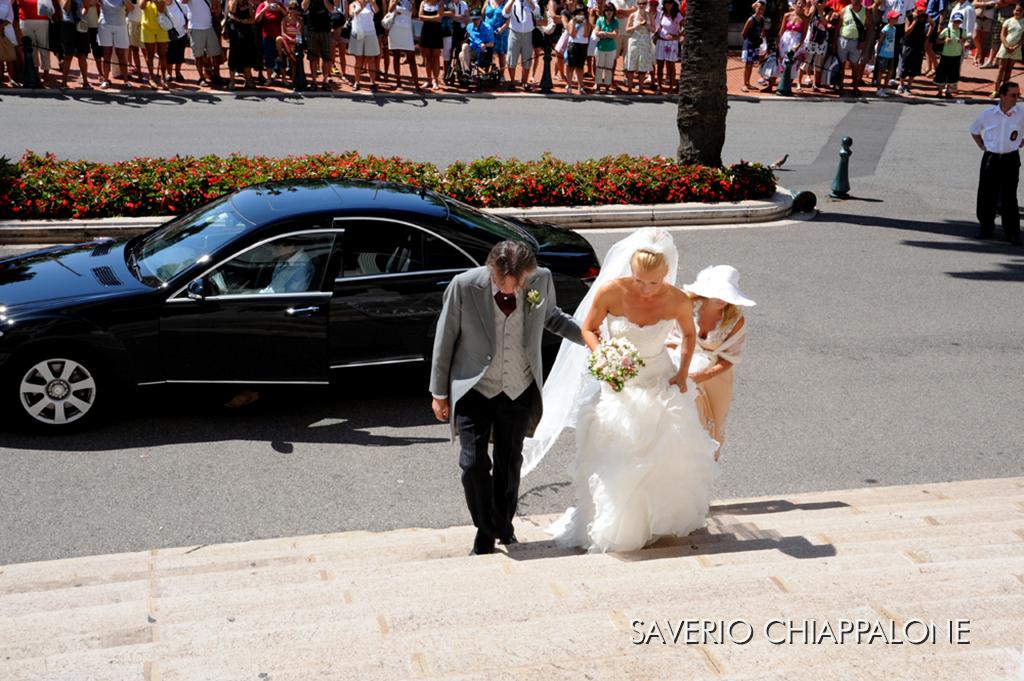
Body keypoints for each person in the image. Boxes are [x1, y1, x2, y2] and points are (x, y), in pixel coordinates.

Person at [521, 229, 719, 553]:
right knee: (618, 456)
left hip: (658, 380)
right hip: (618, 383)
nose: (645, 288)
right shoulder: (611, 291)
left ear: (666, 273)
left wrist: (683, 373)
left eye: (653, 282)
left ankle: (659, 521)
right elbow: (588, 328)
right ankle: (618, 524)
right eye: (639, 280)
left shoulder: (677, 300)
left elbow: (688, 335)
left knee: (664, 455)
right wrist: (603, 354)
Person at [429, 240, 583, 556]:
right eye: (503, 283)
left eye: (518, 284)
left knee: (509, 464)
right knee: (472, 465)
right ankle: (484, 531)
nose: (510, 291)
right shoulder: (464, 285)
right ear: (491, 270)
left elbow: (553, 317)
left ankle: (503, 526)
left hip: (519, 386)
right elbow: (445, 338)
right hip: (474, 387)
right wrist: (439, 393)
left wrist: (591, 338)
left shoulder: (542, 278)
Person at [667, 265, 755, 462]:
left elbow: (730, 359)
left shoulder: (735, 320)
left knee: (711, 425)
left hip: (716, 378)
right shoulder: (689, 307)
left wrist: (703, 376)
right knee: (682, 420)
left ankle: (702, 468)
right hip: (682, 367)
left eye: (727, 294)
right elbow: (671, 340)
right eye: (718, 292)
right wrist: (681, 368)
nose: (722, 299)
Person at [969, 80, 1024, 246]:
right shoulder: (988, 114)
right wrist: (982, 146)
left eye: (1018, 95)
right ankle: (986, 227)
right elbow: (974, 130)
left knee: (1009, 196)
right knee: (986, 194)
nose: (1016, 98)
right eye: (1013, 95)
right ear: (1002, 96)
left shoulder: (1021, 114)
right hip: (991, 158)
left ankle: (1012, 232)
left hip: (1010, 158)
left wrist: (1021, 142)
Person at [182, 0, 222, 85]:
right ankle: (201, 78)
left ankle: (217, 75)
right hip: (196, 28)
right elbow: (183, 1)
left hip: (209, 27)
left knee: (215, 53)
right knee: (198, 55)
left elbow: (215, 4)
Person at [97, 0, 134, 87]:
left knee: (121, 54)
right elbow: (92, 3)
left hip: (120, 26)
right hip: (105, 25)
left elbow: (131, 8)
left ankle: (126, 81)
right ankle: (105, 80)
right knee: (106, 53)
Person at [897, 0, 929, 93]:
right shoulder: (909, 16)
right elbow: (907, 32)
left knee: (915, 67)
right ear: (915, 8)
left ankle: (908, 86)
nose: (921, 12)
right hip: (908, 44)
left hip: (919, 45)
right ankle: (901, 85)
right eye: (919, 10)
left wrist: (927, 36)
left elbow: (932, 24)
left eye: (922, 10)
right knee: (905, 64)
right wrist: (914, 22)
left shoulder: (925, 16)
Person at [834, 0, 866, 94]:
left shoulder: (865, 12)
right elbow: (838, 27)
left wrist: (864, 41)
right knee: (841, 65)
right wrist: (834, 42)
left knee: (855, 66)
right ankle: (840, 86)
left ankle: (855, 87)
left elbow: (869, 27)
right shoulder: (844, 10)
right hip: (843, 40)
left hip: (856, 42)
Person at [502, 0, 535, 88]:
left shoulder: (531, 1)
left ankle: (524, 81)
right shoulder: (512, 2)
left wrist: (529, 1)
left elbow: (536, 11)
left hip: (528, 33)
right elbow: (505, 13)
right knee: (512, 58)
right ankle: (512, 82)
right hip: (514, 33)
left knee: (527, 58)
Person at [386, 0, 418, 89]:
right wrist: (395, 2)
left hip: (407, 31)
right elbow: (390, 10)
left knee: (411, 58)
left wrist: (413, 3)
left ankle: (416, 85)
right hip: (395, 29)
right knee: (396, 57)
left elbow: (414, 13)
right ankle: (398, 83)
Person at [623, 0, 654, 92]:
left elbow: (654, 29)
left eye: (643, 3)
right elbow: (627, 29)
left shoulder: (649, 15)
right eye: (639, 3)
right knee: (631, 67)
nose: (641, 5)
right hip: (634, 43)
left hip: (645, 43)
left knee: (642, 67)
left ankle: (641, 89)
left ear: (646, 4)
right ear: (637, 4)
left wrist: (647, 25)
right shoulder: (633, 15)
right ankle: (629, 89)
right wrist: (635, 26)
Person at [993, 1, 1021, 96]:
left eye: (1020, 10)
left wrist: (1016, 46)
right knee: (1001, 69)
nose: (1018, 12)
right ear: (1013, 10)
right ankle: (996, 90)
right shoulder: (1008, 21)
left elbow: (1022, 38)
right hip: (1005, 47)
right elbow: (1002, 35)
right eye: (1016, 10)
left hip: (1016, 49)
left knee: (1009, 70)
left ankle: (1005, 90)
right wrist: (1007, 45)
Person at [226, 0, 257, 87]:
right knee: (233, 57)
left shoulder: (249, 4)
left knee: (247, 57)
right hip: (235, 34)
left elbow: (253, 20)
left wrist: (241, 21)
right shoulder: (232, 2)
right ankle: (232, 82)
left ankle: (248, 80)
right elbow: (232, 11)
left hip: (247, 33)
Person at [301, 0, 331, 88]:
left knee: (326, 57)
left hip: (325, 30)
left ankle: (325, 81)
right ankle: (314, 81)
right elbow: (303, 7)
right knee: (312, 57)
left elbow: (331, 9)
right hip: (312, 30)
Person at [347, 0, 377, 88]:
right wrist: (362, 6)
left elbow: (376, 10)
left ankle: (373, 83)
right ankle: (357, 82)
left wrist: (372, 3)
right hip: (358, 34)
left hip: (370, 33)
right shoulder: (353, 4)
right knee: (359, 59)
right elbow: (352, 14)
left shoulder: (371, 3)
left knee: (371, 59)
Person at [139, 0, 169, 86]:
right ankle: (151, 77)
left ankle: (163, 78)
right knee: (150, 54)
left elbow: (161, 9)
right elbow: (142, 6)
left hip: (161, 27)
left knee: (162, 54)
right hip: (147, 28)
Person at [933, 10, 964, 95]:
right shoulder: (947, 30)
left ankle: (948, 91)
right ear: (952, 21)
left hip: (956, 55)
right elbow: (937, 41)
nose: (956, 23)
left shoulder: (962, 31)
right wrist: (944, 41)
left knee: (952, 74)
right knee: (942, 73)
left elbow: (965, 40)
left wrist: (961, 41)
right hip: (946, 55)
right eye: (955, 21)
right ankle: (940, 91)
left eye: (958, 22)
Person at [654, 0, 681, 91]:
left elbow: (685, 27)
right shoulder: (661, 13)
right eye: (666, 2)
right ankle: (659, 87)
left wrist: (676, 36)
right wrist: (657, 33)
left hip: (672, 43)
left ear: (674, 4)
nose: (668, 4)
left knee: (671, 65)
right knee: (660, 65)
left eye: (670, 2)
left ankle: (671, 88)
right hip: (661, 42)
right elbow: (658, 26)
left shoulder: (677, 15)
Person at [741, 0, 766, 91]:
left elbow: (762, 31)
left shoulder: (762, 20)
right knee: (748, 65)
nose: (760, 11)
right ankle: (744, 84)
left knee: (751, 65)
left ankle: (748, 83)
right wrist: (748, 42)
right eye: (759, 8)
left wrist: (761, 37)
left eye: (762, 9)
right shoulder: (751, 20)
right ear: (755, 8)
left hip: (756, 45)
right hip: (749, 45)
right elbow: (743, 33)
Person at [562, 3, 587, 92]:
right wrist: (574, 22)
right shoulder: (571, 22)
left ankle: (581, 86)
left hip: (583, 45)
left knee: (580, 67)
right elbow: (572, 34)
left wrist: (585, 24)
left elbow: (586, 34)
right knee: (570, 66)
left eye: (582, 14)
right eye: (579, 14)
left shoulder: (587, 22)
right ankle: (569, 85)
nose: (581, 16)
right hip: (573, 45)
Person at [419, 0, 444, 88]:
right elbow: (420, 16)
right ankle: (429, 80)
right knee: (427, 57)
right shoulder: (423, 3)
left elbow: (439, 17)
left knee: (436, 57)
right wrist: (434, 17)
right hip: (426, 31)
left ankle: (436, 81)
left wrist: (426, 18)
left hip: (436, 31)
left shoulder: (440, 3)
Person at [873, 9, 899, 93]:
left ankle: (885, 87)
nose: (897, 19)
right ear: (889, 19)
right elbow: (880, 41)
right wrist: (877, 52)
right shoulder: (885, 29)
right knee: (881, 71)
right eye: (895, 18)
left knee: (890, 71)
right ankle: (879, 89)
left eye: (897, 18)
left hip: (890, 54)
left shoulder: (894, 29)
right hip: (883, 54)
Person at [593, 0, 616, 92]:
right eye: (607, 10)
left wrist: (604, 33)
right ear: (604, 11)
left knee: (608, 68)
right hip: (600, 48)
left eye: (611, 10)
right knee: (599, 67)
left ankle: (607, 88)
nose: (609, 12)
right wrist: (609, 34)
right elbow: (597, 33)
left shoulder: (615, 21)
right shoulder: (600, 20)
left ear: (613, 11)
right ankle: (598, 87)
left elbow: (615, 34)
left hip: (611, 48)